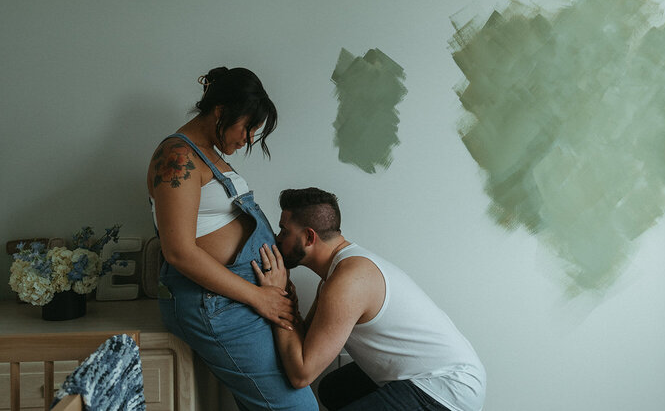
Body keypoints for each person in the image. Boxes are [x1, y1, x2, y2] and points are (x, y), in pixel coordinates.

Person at [147, 67, 318, 411]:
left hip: (240, 298)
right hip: (218, 303)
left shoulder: (208, 155)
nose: (249, 139)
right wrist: (259, 297)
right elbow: (178, 252)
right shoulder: (178, 158)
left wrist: (273, 287)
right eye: (248, 126)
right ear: (221, 111)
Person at [252, 187, 486, 411]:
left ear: (309, 237)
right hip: (436, 375)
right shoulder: (336, 275)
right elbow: (304, 340)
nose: (277, 238)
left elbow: (302, 374)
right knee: (332, 390)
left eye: (284, 231)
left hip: (446, 388)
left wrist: (276, 297)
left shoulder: (348, 282)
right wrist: (284, 295)